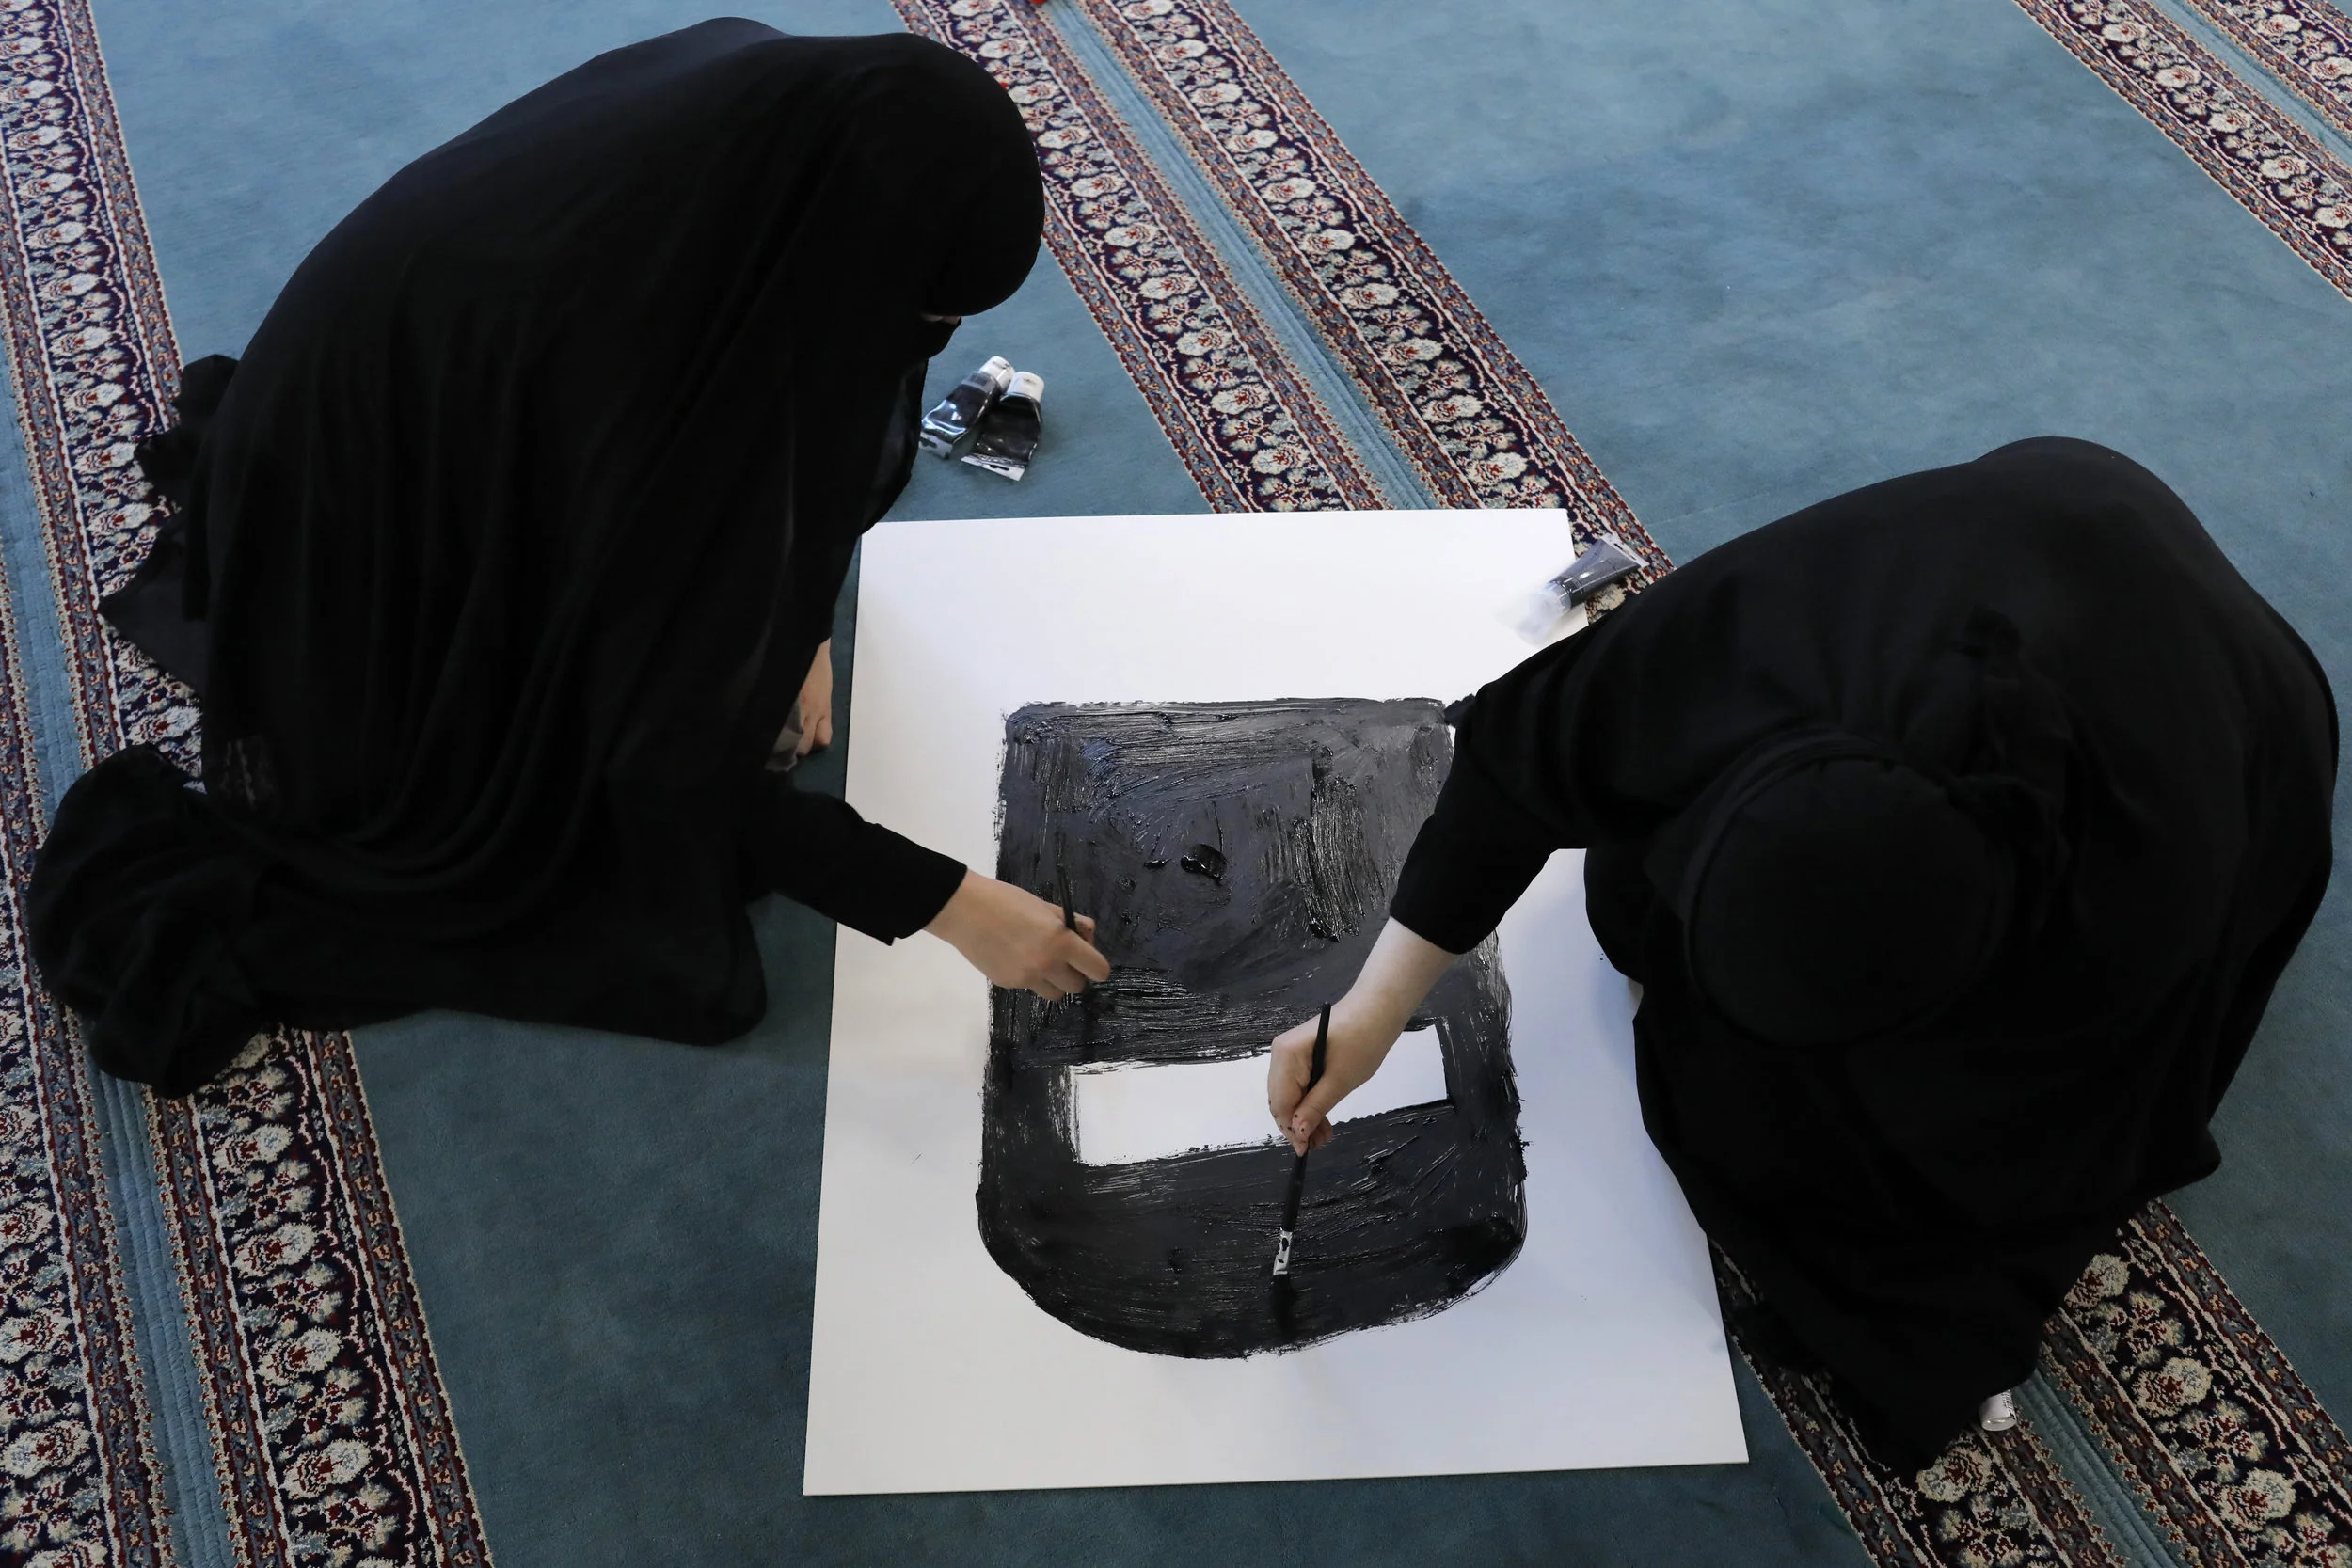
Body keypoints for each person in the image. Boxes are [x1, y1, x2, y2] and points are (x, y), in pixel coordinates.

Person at [30, 22, 1106, 1097]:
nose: (928, 339)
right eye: (921, 306)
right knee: (546, 824)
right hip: (370, 533)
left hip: (427, 387)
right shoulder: (624, 371)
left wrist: (797, 625)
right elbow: (651, 753)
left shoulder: (758, 124)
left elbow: (792, 429)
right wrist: (950, 904)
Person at [1266, 437, 2336, 1470]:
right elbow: (1524, 762)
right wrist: (1372, 1006)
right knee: (1629, 900)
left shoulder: (2131, 905)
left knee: (1810, 1147)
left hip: (2244, 712)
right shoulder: (1762, 640)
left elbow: (2052, 1156)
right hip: (2040, 510)